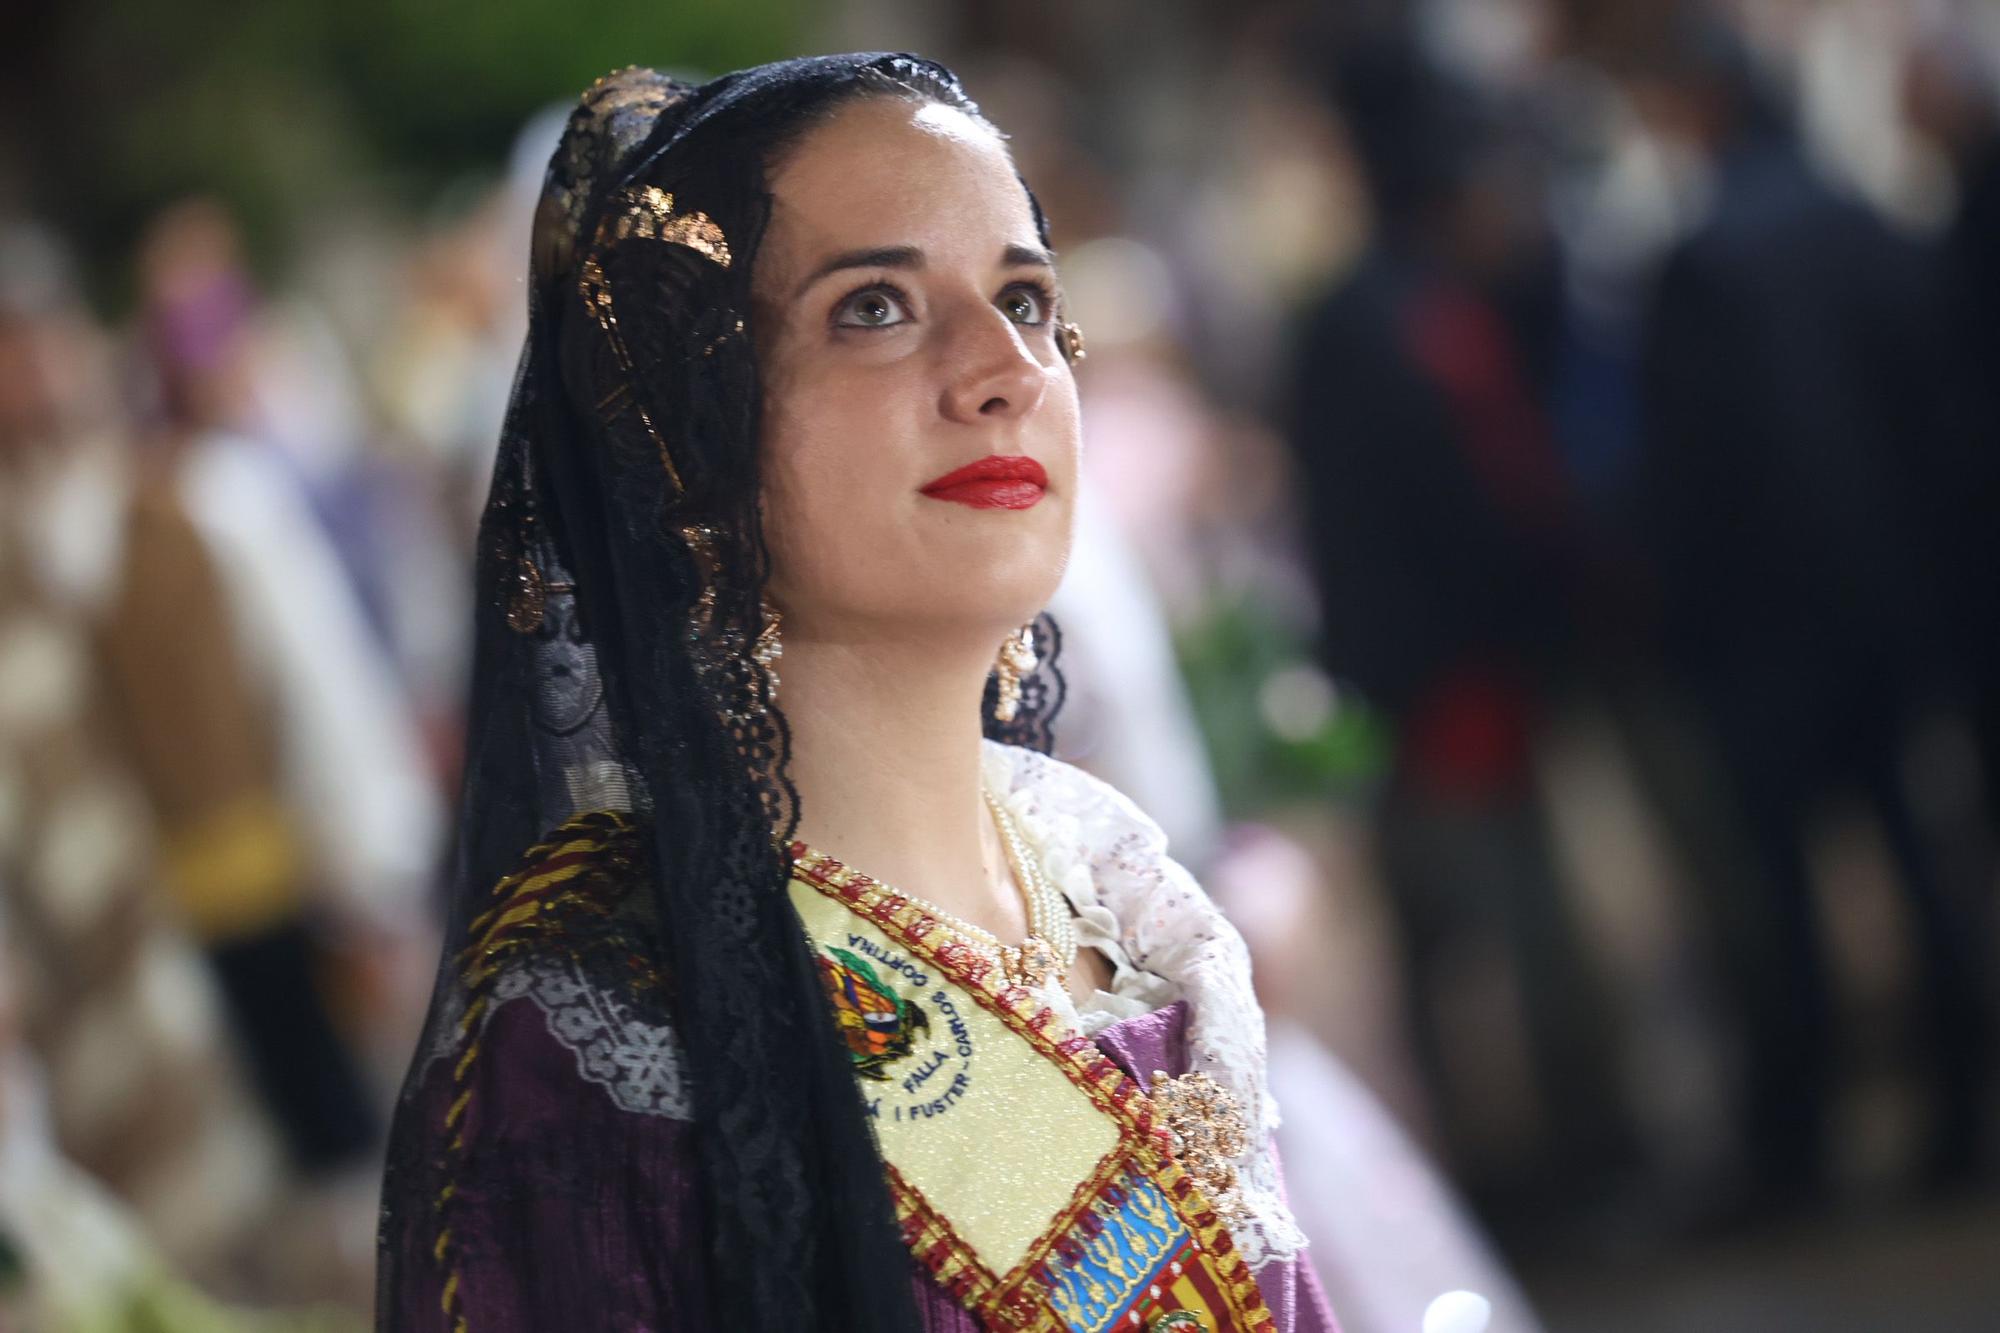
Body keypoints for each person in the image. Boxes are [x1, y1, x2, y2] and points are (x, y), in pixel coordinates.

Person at [377, 55, 1340, 1332]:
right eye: (874, 307)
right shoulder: (599, 1035)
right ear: (687, 438)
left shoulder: (1117, 892)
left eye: (1026, 297)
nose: (1000, 365)